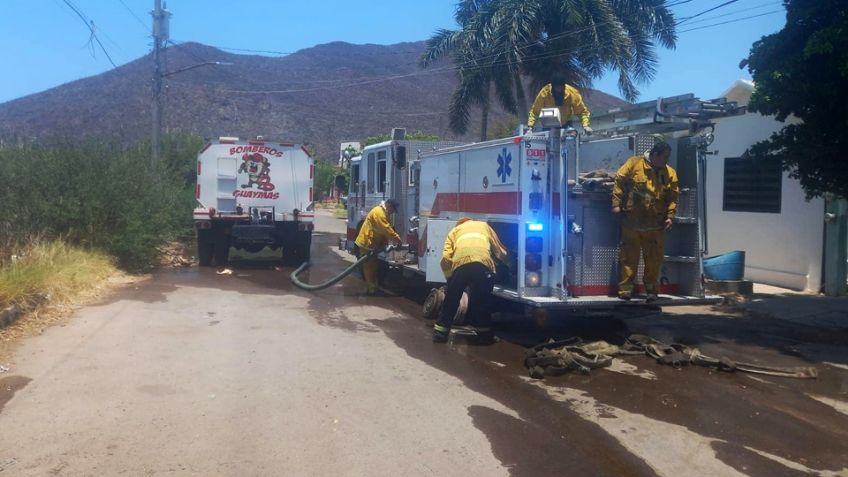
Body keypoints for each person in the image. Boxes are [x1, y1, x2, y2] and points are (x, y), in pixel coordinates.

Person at [611, 142, 679, 302]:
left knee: (654, 260)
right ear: (655, 155)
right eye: (665, 157)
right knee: (629, 258)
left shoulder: (670, 173)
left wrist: (670, 216)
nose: (666, 161)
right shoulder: (634, 164)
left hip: (656, 225)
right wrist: (615, 204)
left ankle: (652, 292)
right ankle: (625, 291)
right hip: (632, 223)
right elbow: (619, 181)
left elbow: (673, 197)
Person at [432, 218, 508, 344]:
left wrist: (450, 279)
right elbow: (499, 249)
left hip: (460, 265)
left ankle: (440, 334)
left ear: (460, 223)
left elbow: (445, 257)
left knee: (451, 300)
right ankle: (484, 336)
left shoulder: (454, 230)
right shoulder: (484, 226)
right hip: (482, 264)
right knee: (481, 301)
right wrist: (509, 264)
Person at [354, 199, 402, 295]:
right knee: (369, 266)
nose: (393, 212)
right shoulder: (379, 213)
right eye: (393, 209)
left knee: (374, 266)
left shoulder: (384, 213)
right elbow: (386, 229)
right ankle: (371, 289)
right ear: (388, 205)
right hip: (366, 243)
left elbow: (386, 229)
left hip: (372, 244)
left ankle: (374, 286)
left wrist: (385, 244)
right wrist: (398, 240)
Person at [527, 76, 592, 134]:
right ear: (552, 87)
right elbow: (535, 112)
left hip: (566, 124)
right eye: (557, 87)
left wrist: (586, 126)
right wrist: (530, 127)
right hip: (548, 125)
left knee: (569, 141)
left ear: (564, 86)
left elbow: (582, 112)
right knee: (548, 145)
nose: (559, 89)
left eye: (561, 87)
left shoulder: (572, 93)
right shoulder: (544, 93)